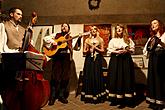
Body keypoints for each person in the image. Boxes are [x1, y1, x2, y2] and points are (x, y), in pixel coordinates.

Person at [43, 23, 81, 105]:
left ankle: (61, 95)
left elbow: (77, 48)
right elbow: (45, 38)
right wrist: (53, 42)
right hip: (57, 57)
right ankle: (52, 97)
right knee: (55, 76)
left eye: (66, 26)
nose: (64, 27)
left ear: (69, 28)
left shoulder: (71, 38)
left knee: (65, 77)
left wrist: (79, 39)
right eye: (62, 26)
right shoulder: (56, 35)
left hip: (66, 58)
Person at [106, 24, 136, 108]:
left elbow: (133, 50)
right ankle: (115, 99)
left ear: (123, 30)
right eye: (117, 28)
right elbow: (109, 51)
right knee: (115, 78)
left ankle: (126, 100)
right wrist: (116, 52)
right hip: (115, 60)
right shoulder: (112, 40)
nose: (118, 30)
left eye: (120, 28)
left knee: (125, 78)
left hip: (125, 60)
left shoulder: (128, 40)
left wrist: (127, 50)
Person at [80, 26, 106, 104]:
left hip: (97, 59)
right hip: (89, 59)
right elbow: (84, 51)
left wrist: (95, 48)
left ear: (97, 31)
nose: (93, 31)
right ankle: (88, 96)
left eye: (95, 29)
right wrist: (89, 50)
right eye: (91, 30)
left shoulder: (100, 39)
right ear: (90, 31)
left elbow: (103, 50)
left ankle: (98, 96)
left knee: (97, 75)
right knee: (89, 75)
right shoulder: (87, 40)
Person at [143, 19, 165, 110]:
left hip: (162, 59)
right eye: (151, 24)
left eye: (155, 23)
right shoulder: (151, 38)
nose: (153, 25)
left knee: (161, 80)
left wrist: (160, 42)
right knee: (153, 80)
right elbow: (145, 50)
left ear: (160, 25)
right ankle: (154, 101)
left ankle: (162, 102)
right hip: (153, 60)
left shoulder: (164, 35)